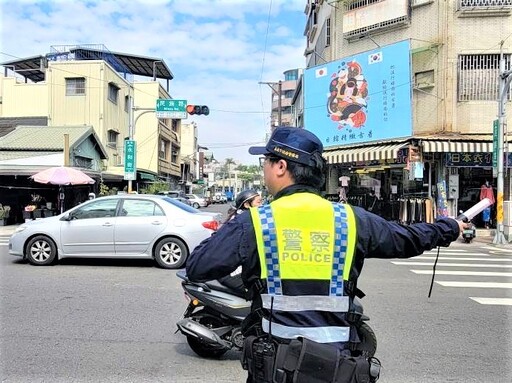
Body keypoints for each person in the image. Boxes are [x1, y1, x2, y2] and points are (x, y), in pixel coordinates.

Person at [186, 127, 467, 383]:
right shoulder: (351, 219)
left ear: (281, 166)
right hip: (336, 367)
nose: (264, 171)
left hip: (274, 368)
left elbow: (198, 266)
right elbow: (408, 240)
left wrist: (232, 230)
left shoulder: (256, 222)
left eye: (266, 162)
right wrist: (450, 227)